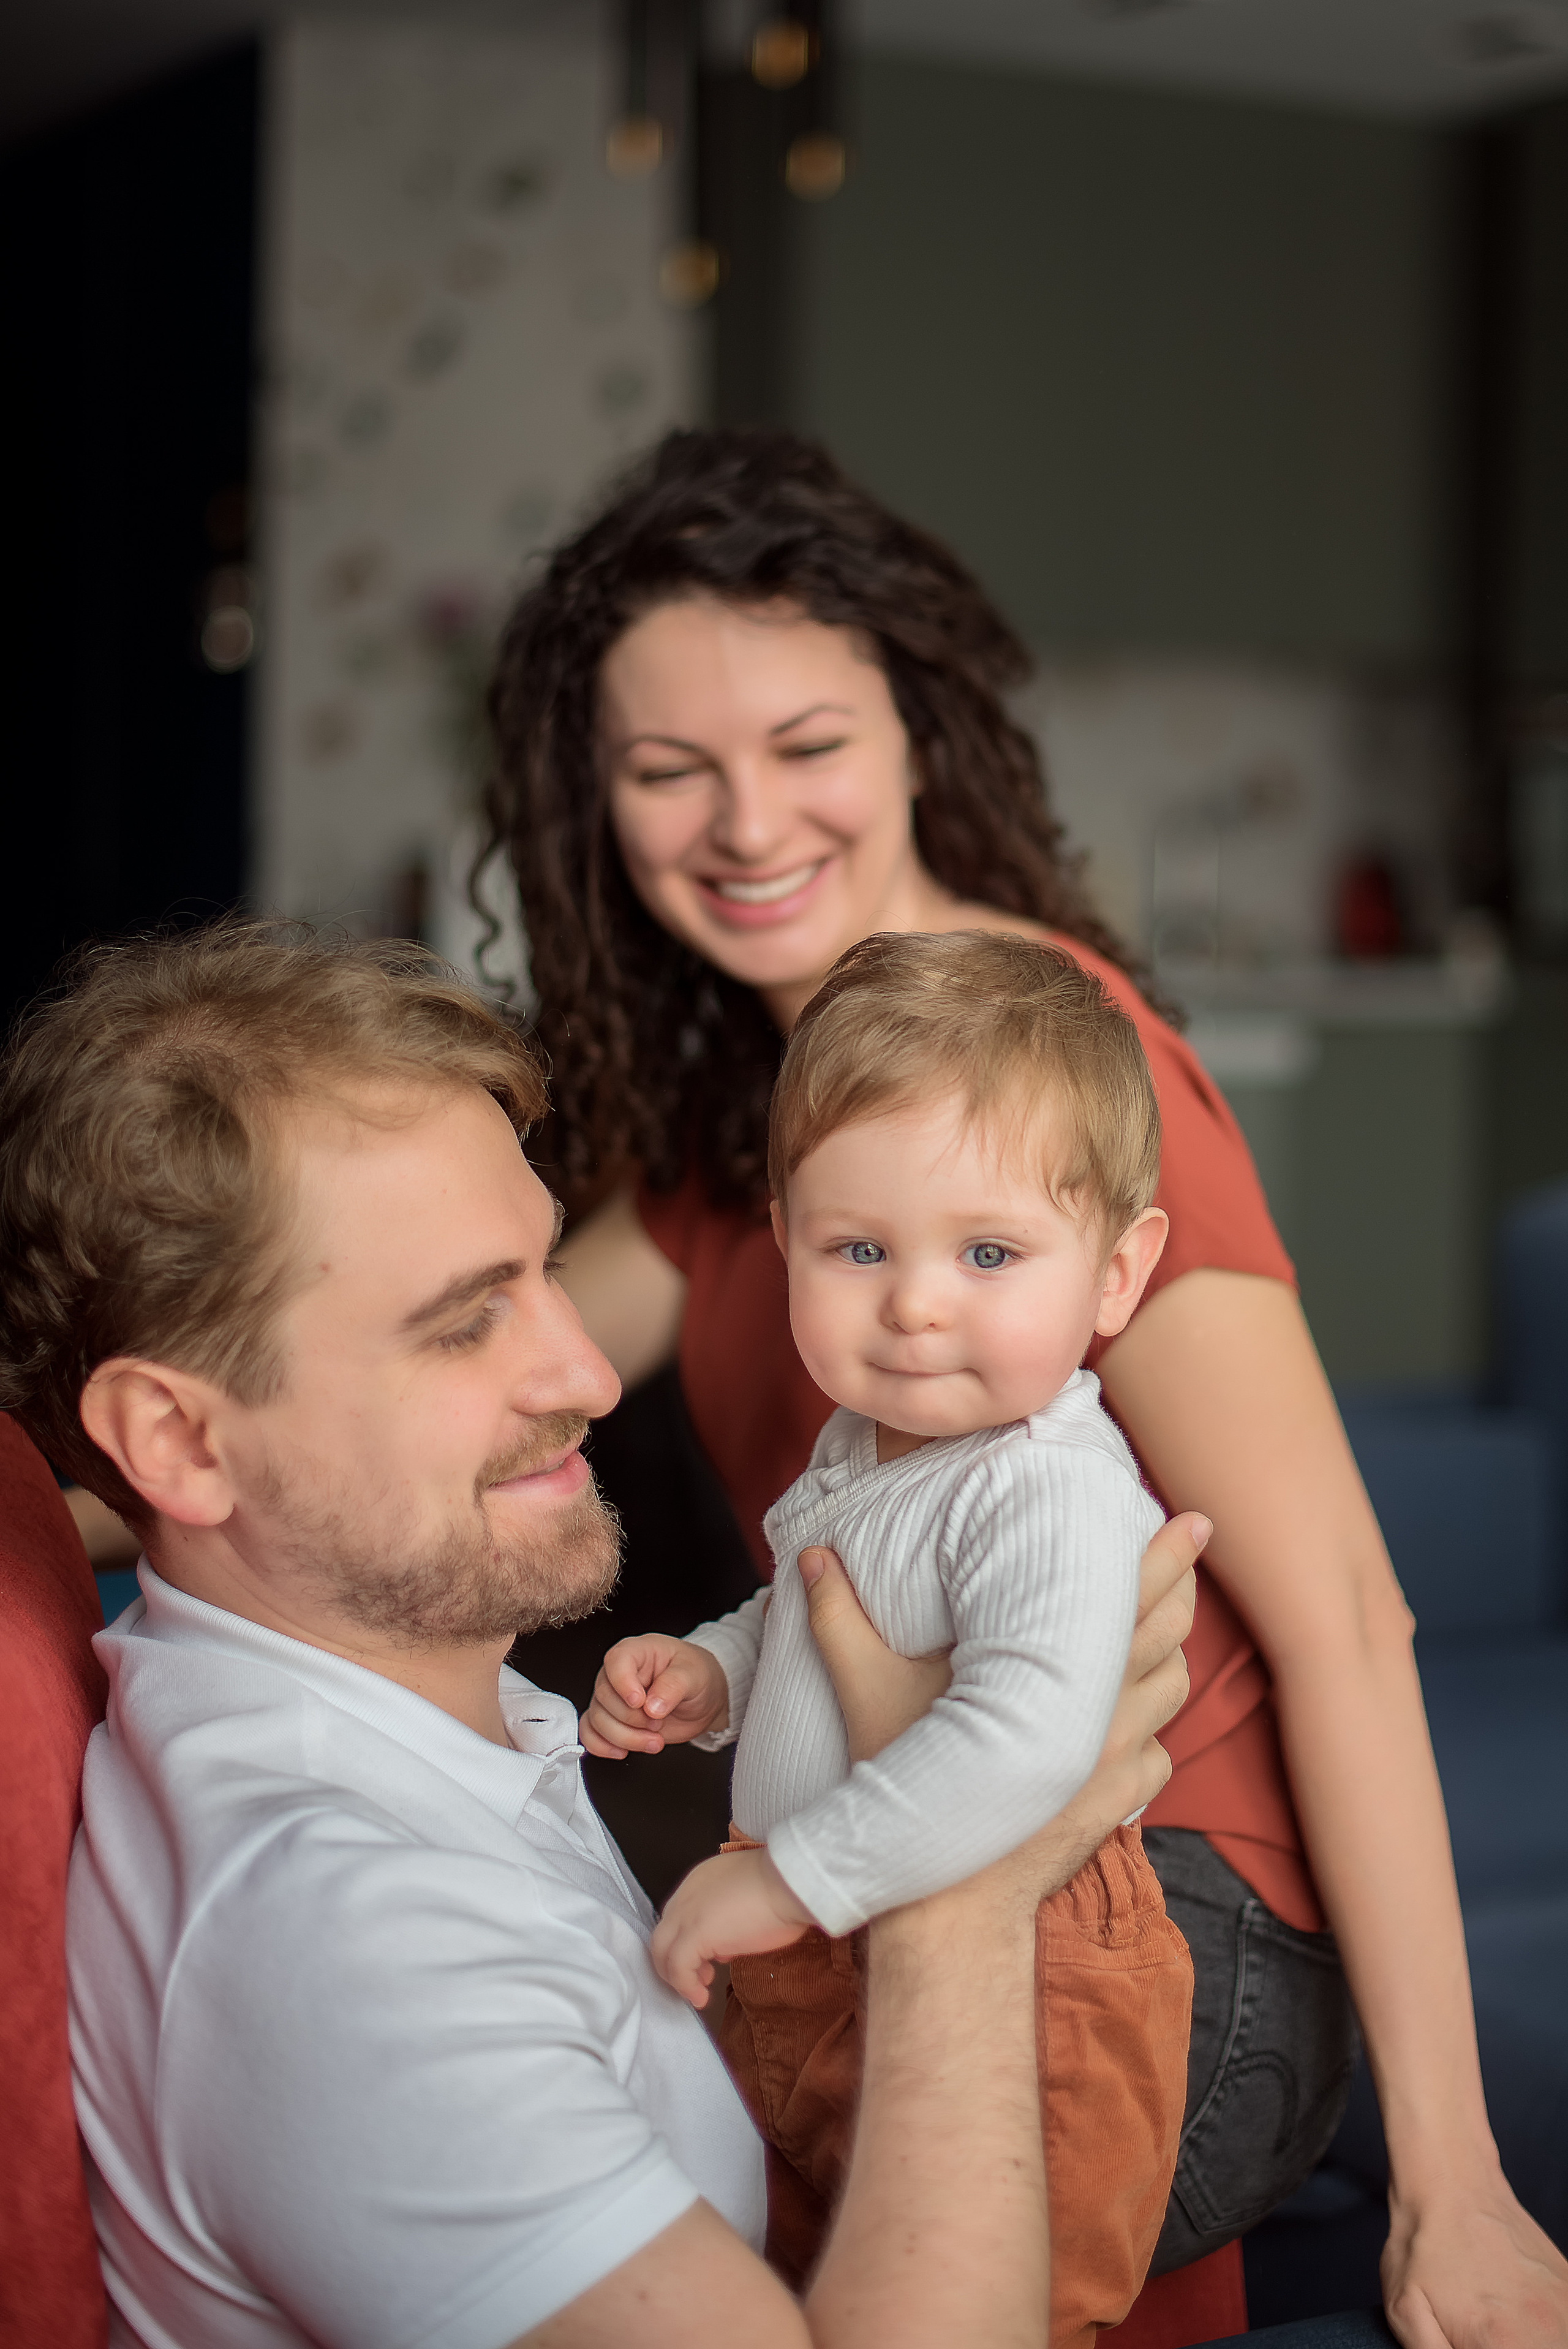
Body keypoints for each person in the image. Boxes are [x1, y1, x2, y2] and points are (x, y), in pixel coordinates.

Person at [484, 425, 1568, 2337]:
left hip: (1142, 1901)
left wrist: (1453, 2184)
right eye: (670, 771)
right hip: (899, 1834)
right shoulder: (762, 1110)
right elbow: (493, 1362)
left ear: (918, 733)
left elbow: (1347, 1620)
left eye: (807, 747)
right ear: (597, 806)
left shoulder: (1064, 1092)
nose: (746, 825)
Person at [0, 921, 1199, 2349]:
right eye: (463, 1324)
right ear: (179, 1441)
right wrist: (967, 1893)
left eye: (542, 1272)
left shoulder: (385, 1721)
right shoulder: (351, 1948)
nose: (584, 1371)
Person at [586, 929, 1194, 2348]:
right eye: (857, 1249)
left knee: (991, 2286)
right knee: (815, 2257)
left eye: (988, 1252)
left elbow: (1026, 1739)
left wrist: (799, 1876)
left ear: (1115, 1275)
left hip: (1024, 1959)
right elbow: (822, 1610)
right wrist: (720, 1669)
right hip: (836, 1932)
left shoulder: (1041, 1482)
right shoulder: (878, 1443)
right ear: (787, 1237)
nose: (914, 1303)